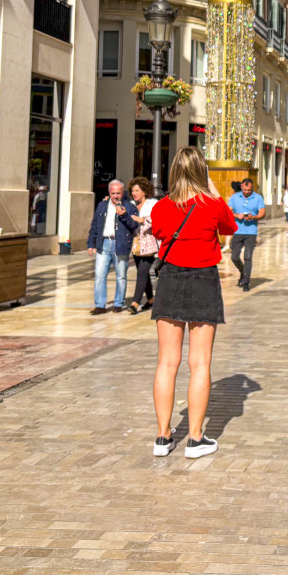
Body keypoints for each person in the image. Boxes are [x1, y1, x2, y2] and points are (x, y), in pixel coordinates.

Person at [149, 147, 237, 459]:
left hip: (171, 279)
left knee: (166, 362)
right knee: (199, 362)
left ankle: (162, 436)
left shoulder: (161, 206)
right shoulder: (212, 204)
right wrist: (211, 188)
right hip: (203, 280)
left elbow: (159, 233)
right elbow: (230, 227)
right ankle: (195, 438)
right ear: (202, 172)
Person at [86, 179, 138, 315]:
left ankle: (118, 303)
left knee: (121, 276)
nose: (116, 196)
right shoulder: (102, 205)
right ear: (109, 192)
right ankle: (100, 305)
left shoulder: (130, 206)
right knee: (99, 275)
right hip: (104, 244)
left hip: (120, 244)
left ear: (123, 193)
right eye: (113, 193)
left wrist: (124, 215)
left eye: (118, 193)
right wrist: (91, 243)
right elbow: (95, 225)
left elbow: (134, 226)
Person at [126, 178, 160, 315]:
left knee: (142, 271)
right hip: (136, 243)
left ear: (144, 191)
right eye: (133, 191)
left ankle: (135, 302)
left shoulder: (153, 203)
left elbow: (156, 218)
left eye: (137, 190)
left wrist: (141, 219)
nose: (134, 193)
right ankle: (151, 299)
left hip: (149, 243)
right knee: (142, 271)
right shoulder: (130, 204)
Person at [227, 178, 265, 291]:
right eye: (244, 190)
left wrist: (253, 217)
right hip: (238, 231)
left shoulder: (258, 198)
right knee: (234, 257)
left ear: (252, 187)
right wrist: (236, 215)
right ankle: (243, 272)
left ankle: (246, 282)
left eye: (249, 190)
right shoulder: (235, 197)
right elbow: (228, 211)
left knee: (248, 256)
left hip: (251, 232)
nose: (247, 192)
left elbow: (262, 213)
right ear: (242, 187)